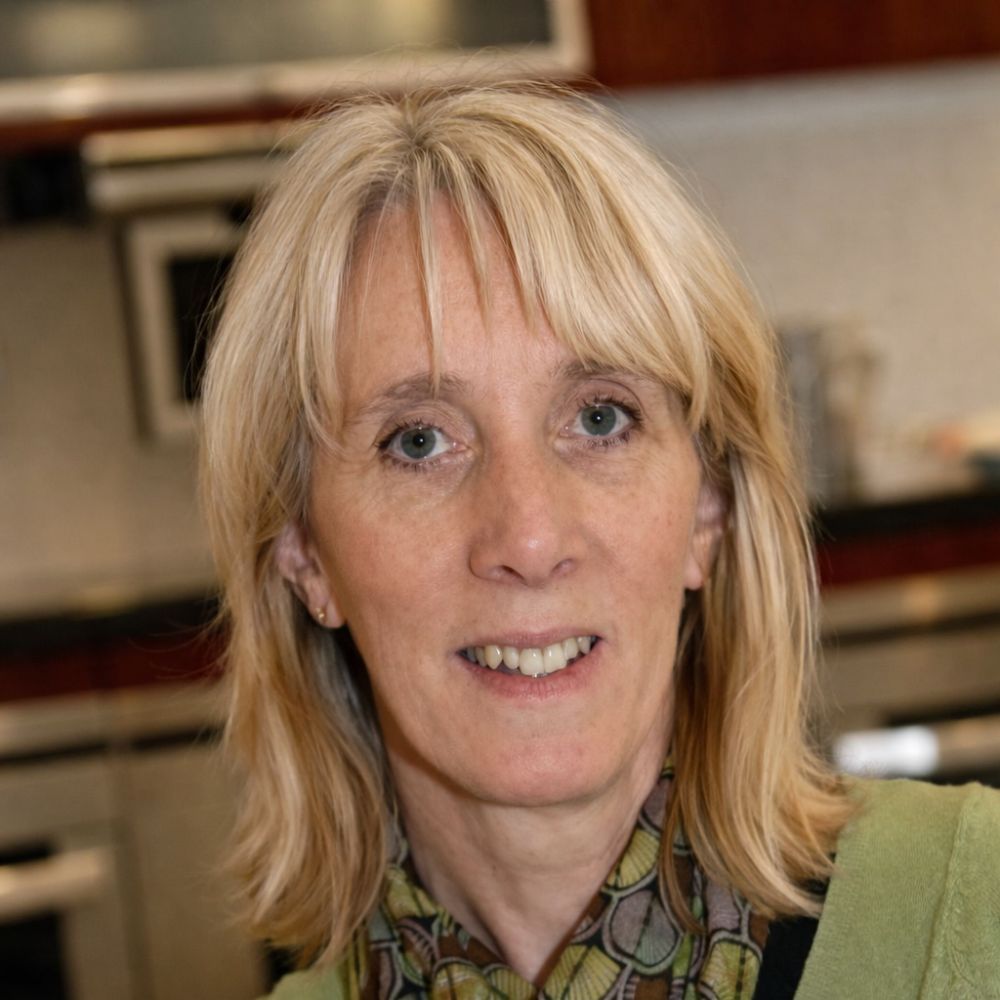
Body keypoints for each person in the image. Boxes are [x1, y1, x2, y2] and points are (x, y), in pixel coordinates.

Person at [199, 83, 1000, 999]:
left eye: (601, 418)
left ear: (710, 509)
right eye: (418, 440)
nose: (530, 537)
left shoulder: (975, 915)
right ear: (303, 551)